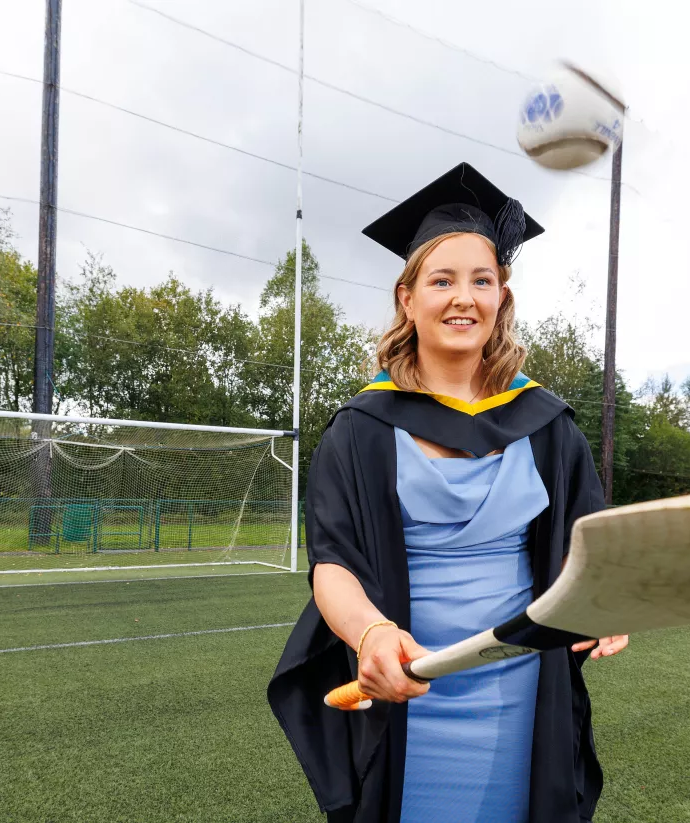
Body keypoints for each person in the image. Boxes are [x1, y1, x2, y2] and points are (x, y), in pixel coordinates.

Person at [268, 162, 628, 823]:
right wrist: (372, 631)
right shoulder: (362, 430)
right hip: (410, 694)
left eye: (481, 279)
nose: (464, 297)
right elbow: (333, 562)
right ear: (408, 298)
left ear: (501, 296)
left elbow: (592, 549)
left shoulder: (547, 425)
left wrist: (605, 604)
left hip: (526, 697)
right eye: (442, 279)